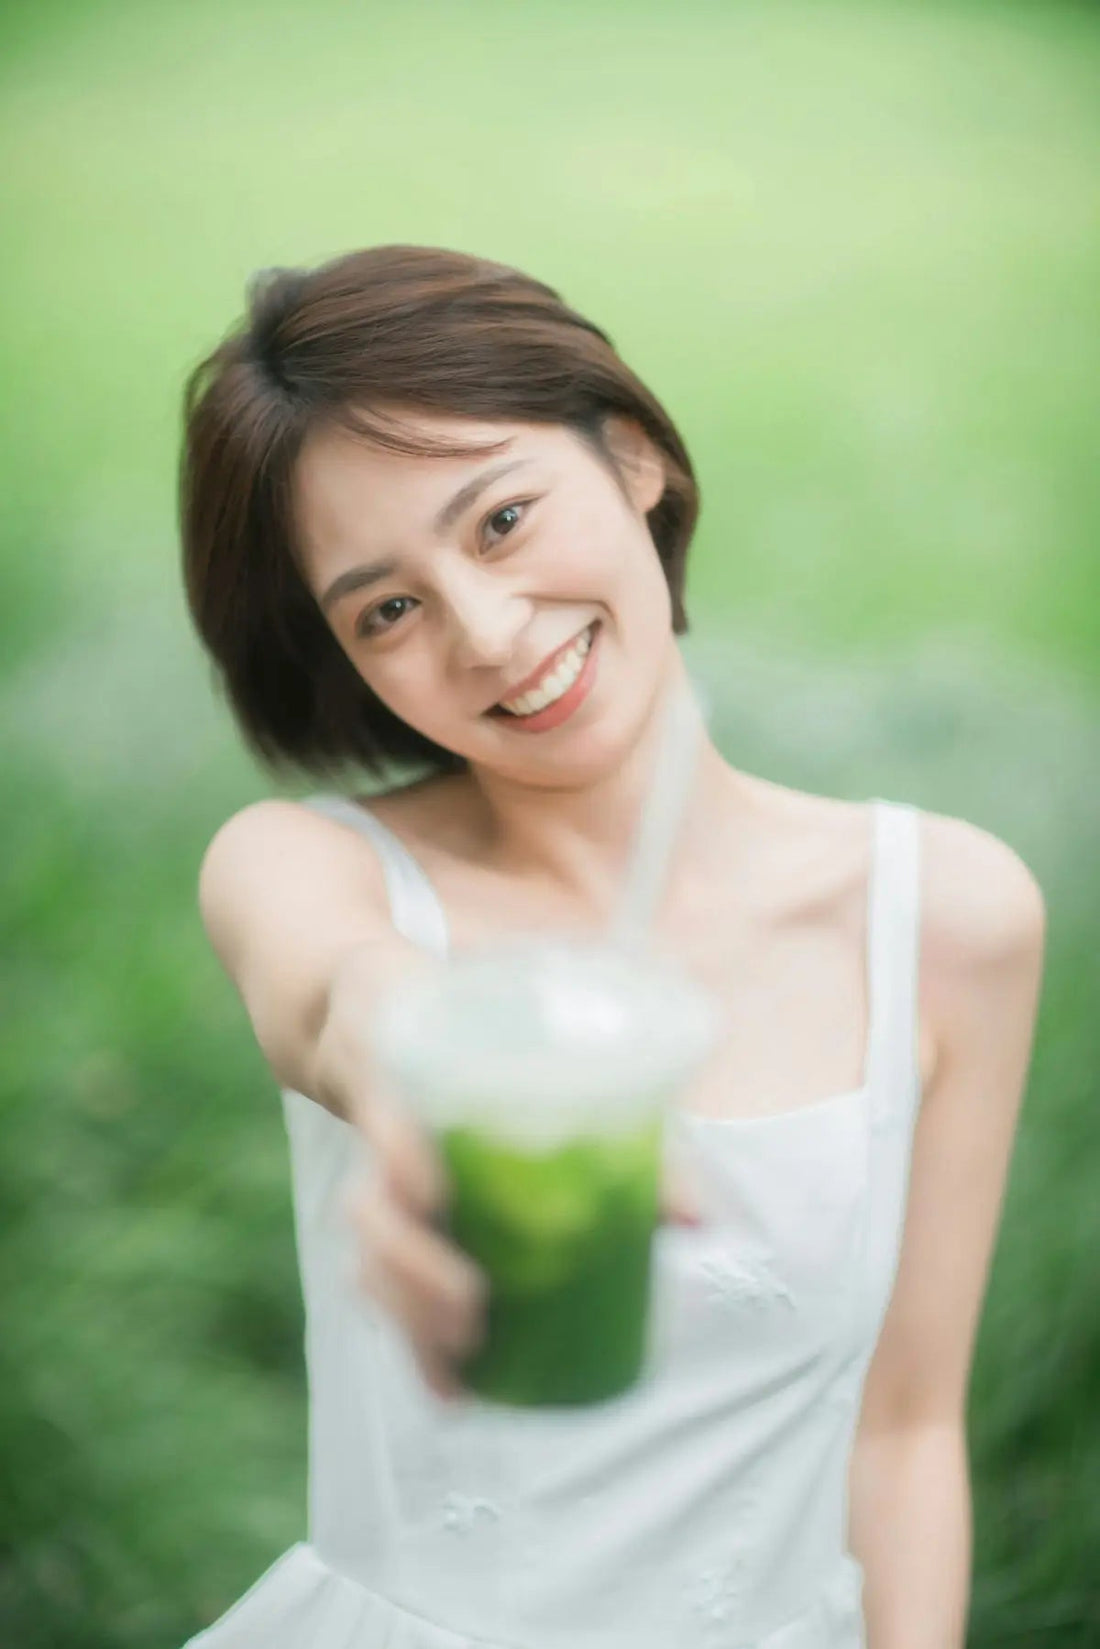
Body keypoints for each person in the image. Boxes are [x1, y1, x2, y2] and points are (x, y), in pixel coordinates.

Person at [178, 245, 1046, 1648]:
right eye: (386, 608)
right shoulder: (309, 867)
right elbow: (351, 1000)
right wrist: (434, 1094)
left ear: (635, 455)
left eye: (503, 519)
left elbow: (902, 1431)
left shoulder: (947, 914)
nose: (489, 631)